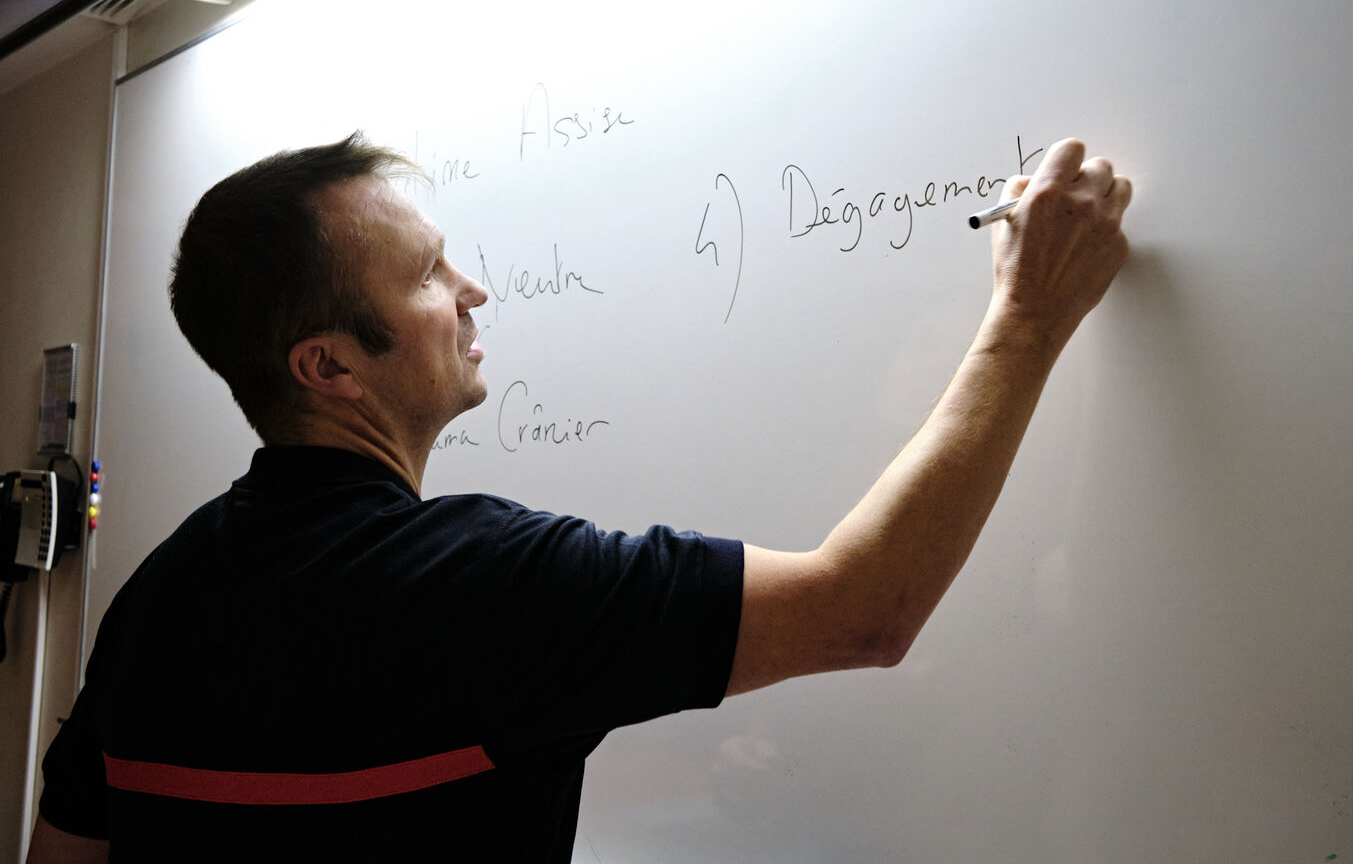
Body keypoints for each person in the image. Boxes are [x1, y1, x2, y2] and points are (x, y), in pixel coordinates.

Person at [28, 133, 1130, 862]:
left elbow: (63, 853)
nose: (472, 289)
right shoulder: (488, 585)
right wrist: (1028, 316)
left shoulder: (153, 602)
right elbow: (863, 609)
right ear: (329, 366)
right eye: (426, 275)